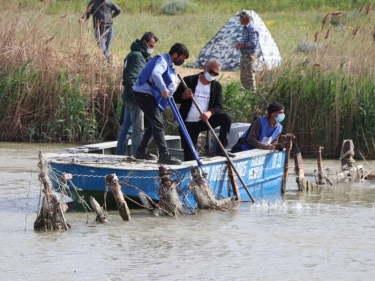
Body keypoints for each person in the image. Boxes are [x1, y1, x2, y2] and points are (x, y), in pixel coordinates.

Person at [132, 43, 190, 165]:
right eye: (181, 58)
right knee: (158, 123)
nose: (182, 61)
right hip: (143, 94)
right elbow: (155, 74)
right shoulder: (162, 61)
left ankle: (141, 150)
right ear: (175, 54)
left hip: (147, 95)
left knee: (155, 122)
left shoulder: (167, 63)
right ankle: (164, 155)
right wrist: (163, 89)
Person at [174, 58, 235, 161]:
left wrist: (210, 112)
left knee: (226, 117)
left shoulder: (216, 86)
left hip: (204, 121)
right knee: (190, 155)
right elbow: (175, 97)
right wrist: (184, 96)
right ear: (205, 68)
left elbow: (218, 106)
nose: (212, 75)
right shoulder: (189, 80)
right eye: (211, 72)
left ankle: (221, 149)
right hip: (188, 123)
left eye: (216, 74)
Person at [116, 32, 159, 156]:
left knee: (126, 128)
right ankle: (138, 155)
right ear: (144, 42)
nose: (152, 48)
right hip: (134, 98)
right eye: (151, 45)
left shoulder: (134, 54)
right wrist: (139, 97)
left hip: (128, 96)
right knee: (138, 129)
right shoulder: (138, 56)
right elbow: (133, 78)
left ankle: (119, 154)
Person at [235, 10, 260, 94]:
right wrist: (240, 44)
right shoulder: (246, 28)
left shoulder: (252, 28)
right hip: (245, 56)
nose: (240, 20)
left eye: (241, 18)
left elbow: (253, 43)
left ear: (245, 18)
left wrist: (241, 46)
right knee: (244, 78)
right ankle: (245, 96)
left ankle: (252, 97)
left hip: (250, 57)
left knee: (249, 78)